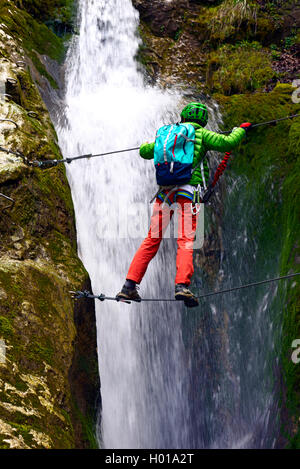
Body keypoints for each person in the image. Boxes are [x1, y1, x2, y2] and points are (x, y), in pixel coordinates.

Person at [116, 102, 251, 307]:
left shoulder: (169, 135)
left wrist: (148, 144)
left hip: (165, 193)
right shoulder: (202, 134)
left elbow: (144, 151)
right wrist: (240, 129)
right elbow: (228, 143)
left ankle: (128, 286)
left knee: (151, 239)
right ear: (203, 121)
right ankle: (181, 286)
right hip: (188, 193)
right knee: (186, 241)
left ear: (183, 117)